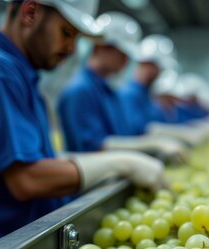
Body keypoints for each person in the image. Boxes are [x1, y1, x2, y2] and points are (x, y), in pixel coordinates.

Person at [0, 0, 165, 249]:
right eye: (66, 33)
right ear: (30, 12)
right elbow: (27, 178)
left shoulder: (18, 74)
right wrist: (121, 163)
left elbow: (36, 159)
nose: (72, 50)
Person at [57, 12, 187, 159]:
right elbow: (92, 146)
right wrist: (152, 145)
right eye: (122, 54)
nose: (126, 62)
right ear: (100, 46)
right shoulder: (80, 91)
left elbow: (129, 133)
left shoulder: (110, 92)